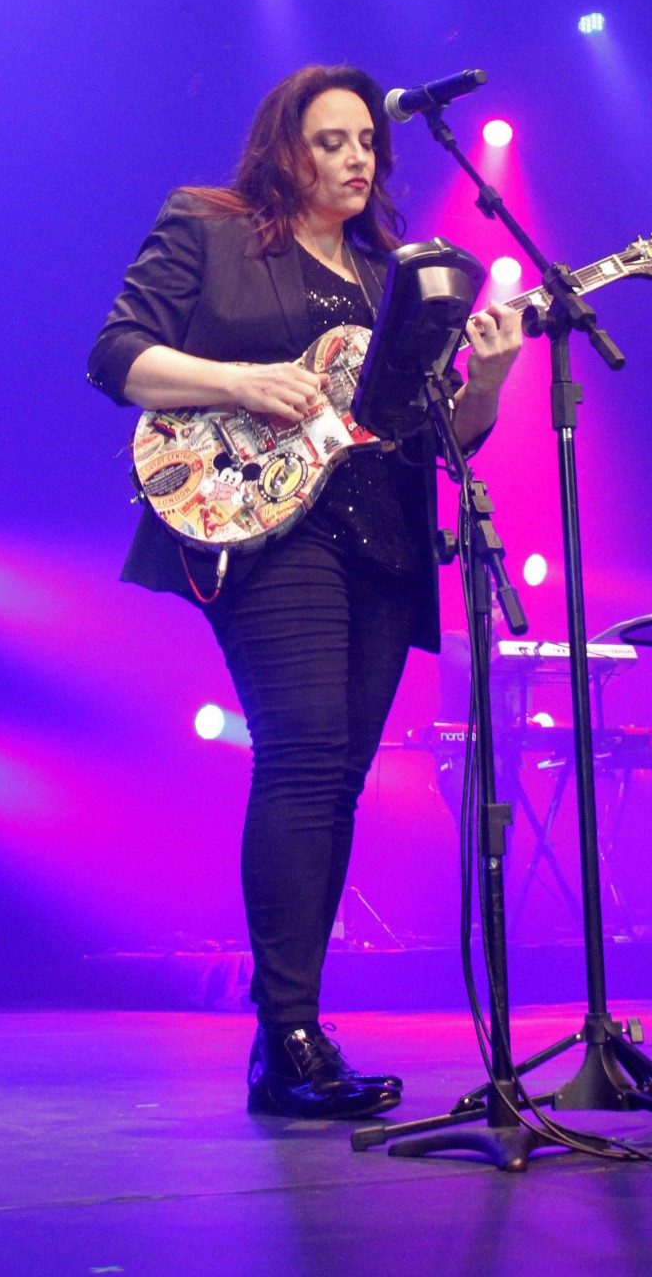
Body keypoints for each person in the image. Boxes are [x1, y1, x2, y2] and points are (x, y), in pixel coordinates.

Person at [88, 64, 521, 1120]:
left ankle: (295, 1028)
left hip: (379, 535)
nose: (353, 157)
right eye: (328, 140)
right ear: (283, 147)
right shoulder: (210, 224)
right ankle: (282, 1032)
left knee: (338, 781)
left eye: (365, 141)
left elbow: (431, 435)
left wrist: (494, 378)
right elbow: (115, 354)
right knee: (300, 755)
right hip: (262, 525)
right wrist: (240, 381)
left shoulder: (390, 274)